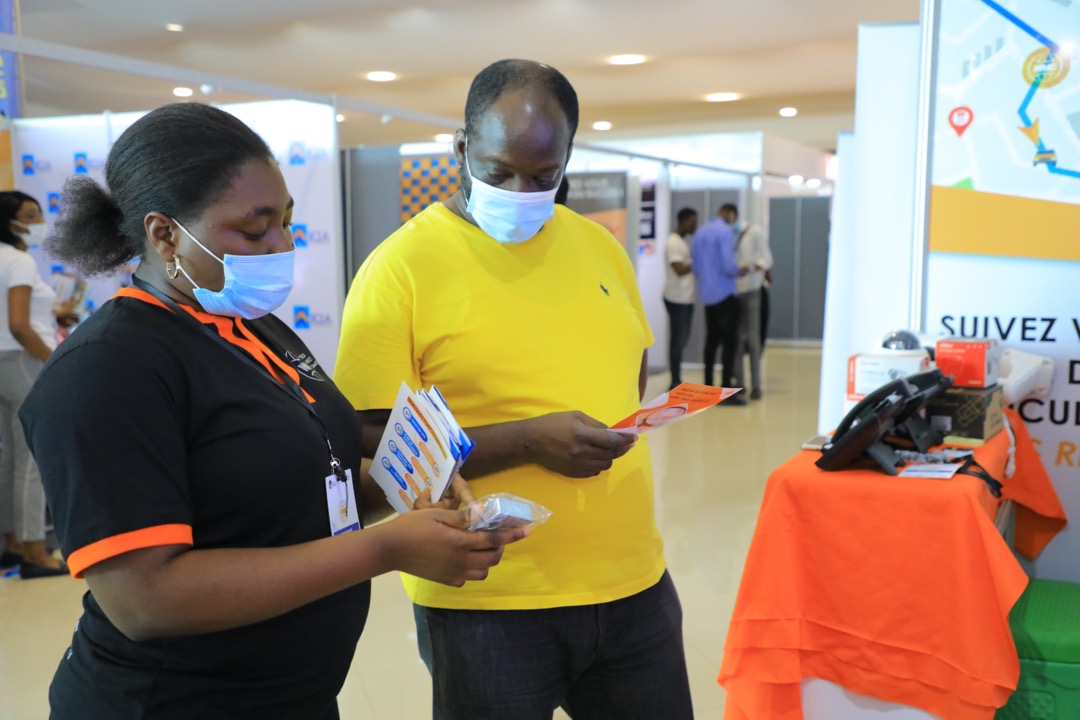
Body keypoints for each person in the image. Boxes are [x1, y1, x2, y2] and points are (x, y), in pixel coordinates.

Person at [17, 103, 525, 719]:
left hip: (293, 696)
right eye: (255, 232)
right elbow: (146, 599)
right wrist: (385, 551)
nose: (283, 245)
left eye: (286, 222)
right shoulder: (108, 369)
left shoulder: (253, 328)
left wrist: (412, 489)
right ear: (165, 234)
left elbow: (302, 492)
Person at [335, 59, 694, 719]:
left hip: (632, 582)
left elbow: (629, 372)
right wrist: (528, 440)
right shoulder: (400, 268)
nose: (519, 191)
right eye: (498, 173)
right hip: (486, 599)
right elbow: (370, 439)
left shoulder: (600, 248)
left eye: (542, 176)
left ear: (567, 161)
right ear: (461, 148)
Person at [0, 190, 77, 579]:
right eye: (31, 215)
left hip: (4, 362)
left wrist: (53, 315)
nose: (40, 222)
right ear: (9, 222)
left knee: (9, 459)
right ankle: (35, 551)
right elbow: (18, 325)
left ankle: (12, 545)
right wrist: (54, 361)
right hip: (22, 359)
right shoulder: (19, 261)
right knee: (30, 459)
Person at [691, 206, 747, 405]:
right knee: (730, 344)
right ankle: (725, 390)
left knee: (711, 341)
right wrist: (741, 270)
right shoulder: (724, 232)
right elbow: (728, 266)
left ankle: (707, 388)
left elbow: (695, 266)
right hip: (725, 294)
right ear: (730, 214)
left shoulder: (701, 232)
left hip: (708, 296)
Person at [720, 203, 772, 400]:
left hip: (751, 289)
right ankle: (740, 381)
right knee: (737, 338)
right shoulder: (725, 235)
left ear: (733, 214)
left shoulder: (753, 232)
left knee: (753, 338)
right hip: (732, 291)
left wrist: (750, 268)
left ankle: (756, 384)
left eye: (725, 216)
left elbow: (767, 259)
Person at [663, 207, 697, 389]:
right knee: (678, 340)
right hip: (677, 298)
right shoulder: (673, 242)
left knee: (682, 339)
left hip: (686, 298)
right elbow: (679, 269)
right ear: (682, 222)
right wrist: (698, 261)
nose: (695, 226)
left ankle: (676, 378)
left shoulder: (682, 242)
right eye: (692, 222)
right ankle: (675, 380)